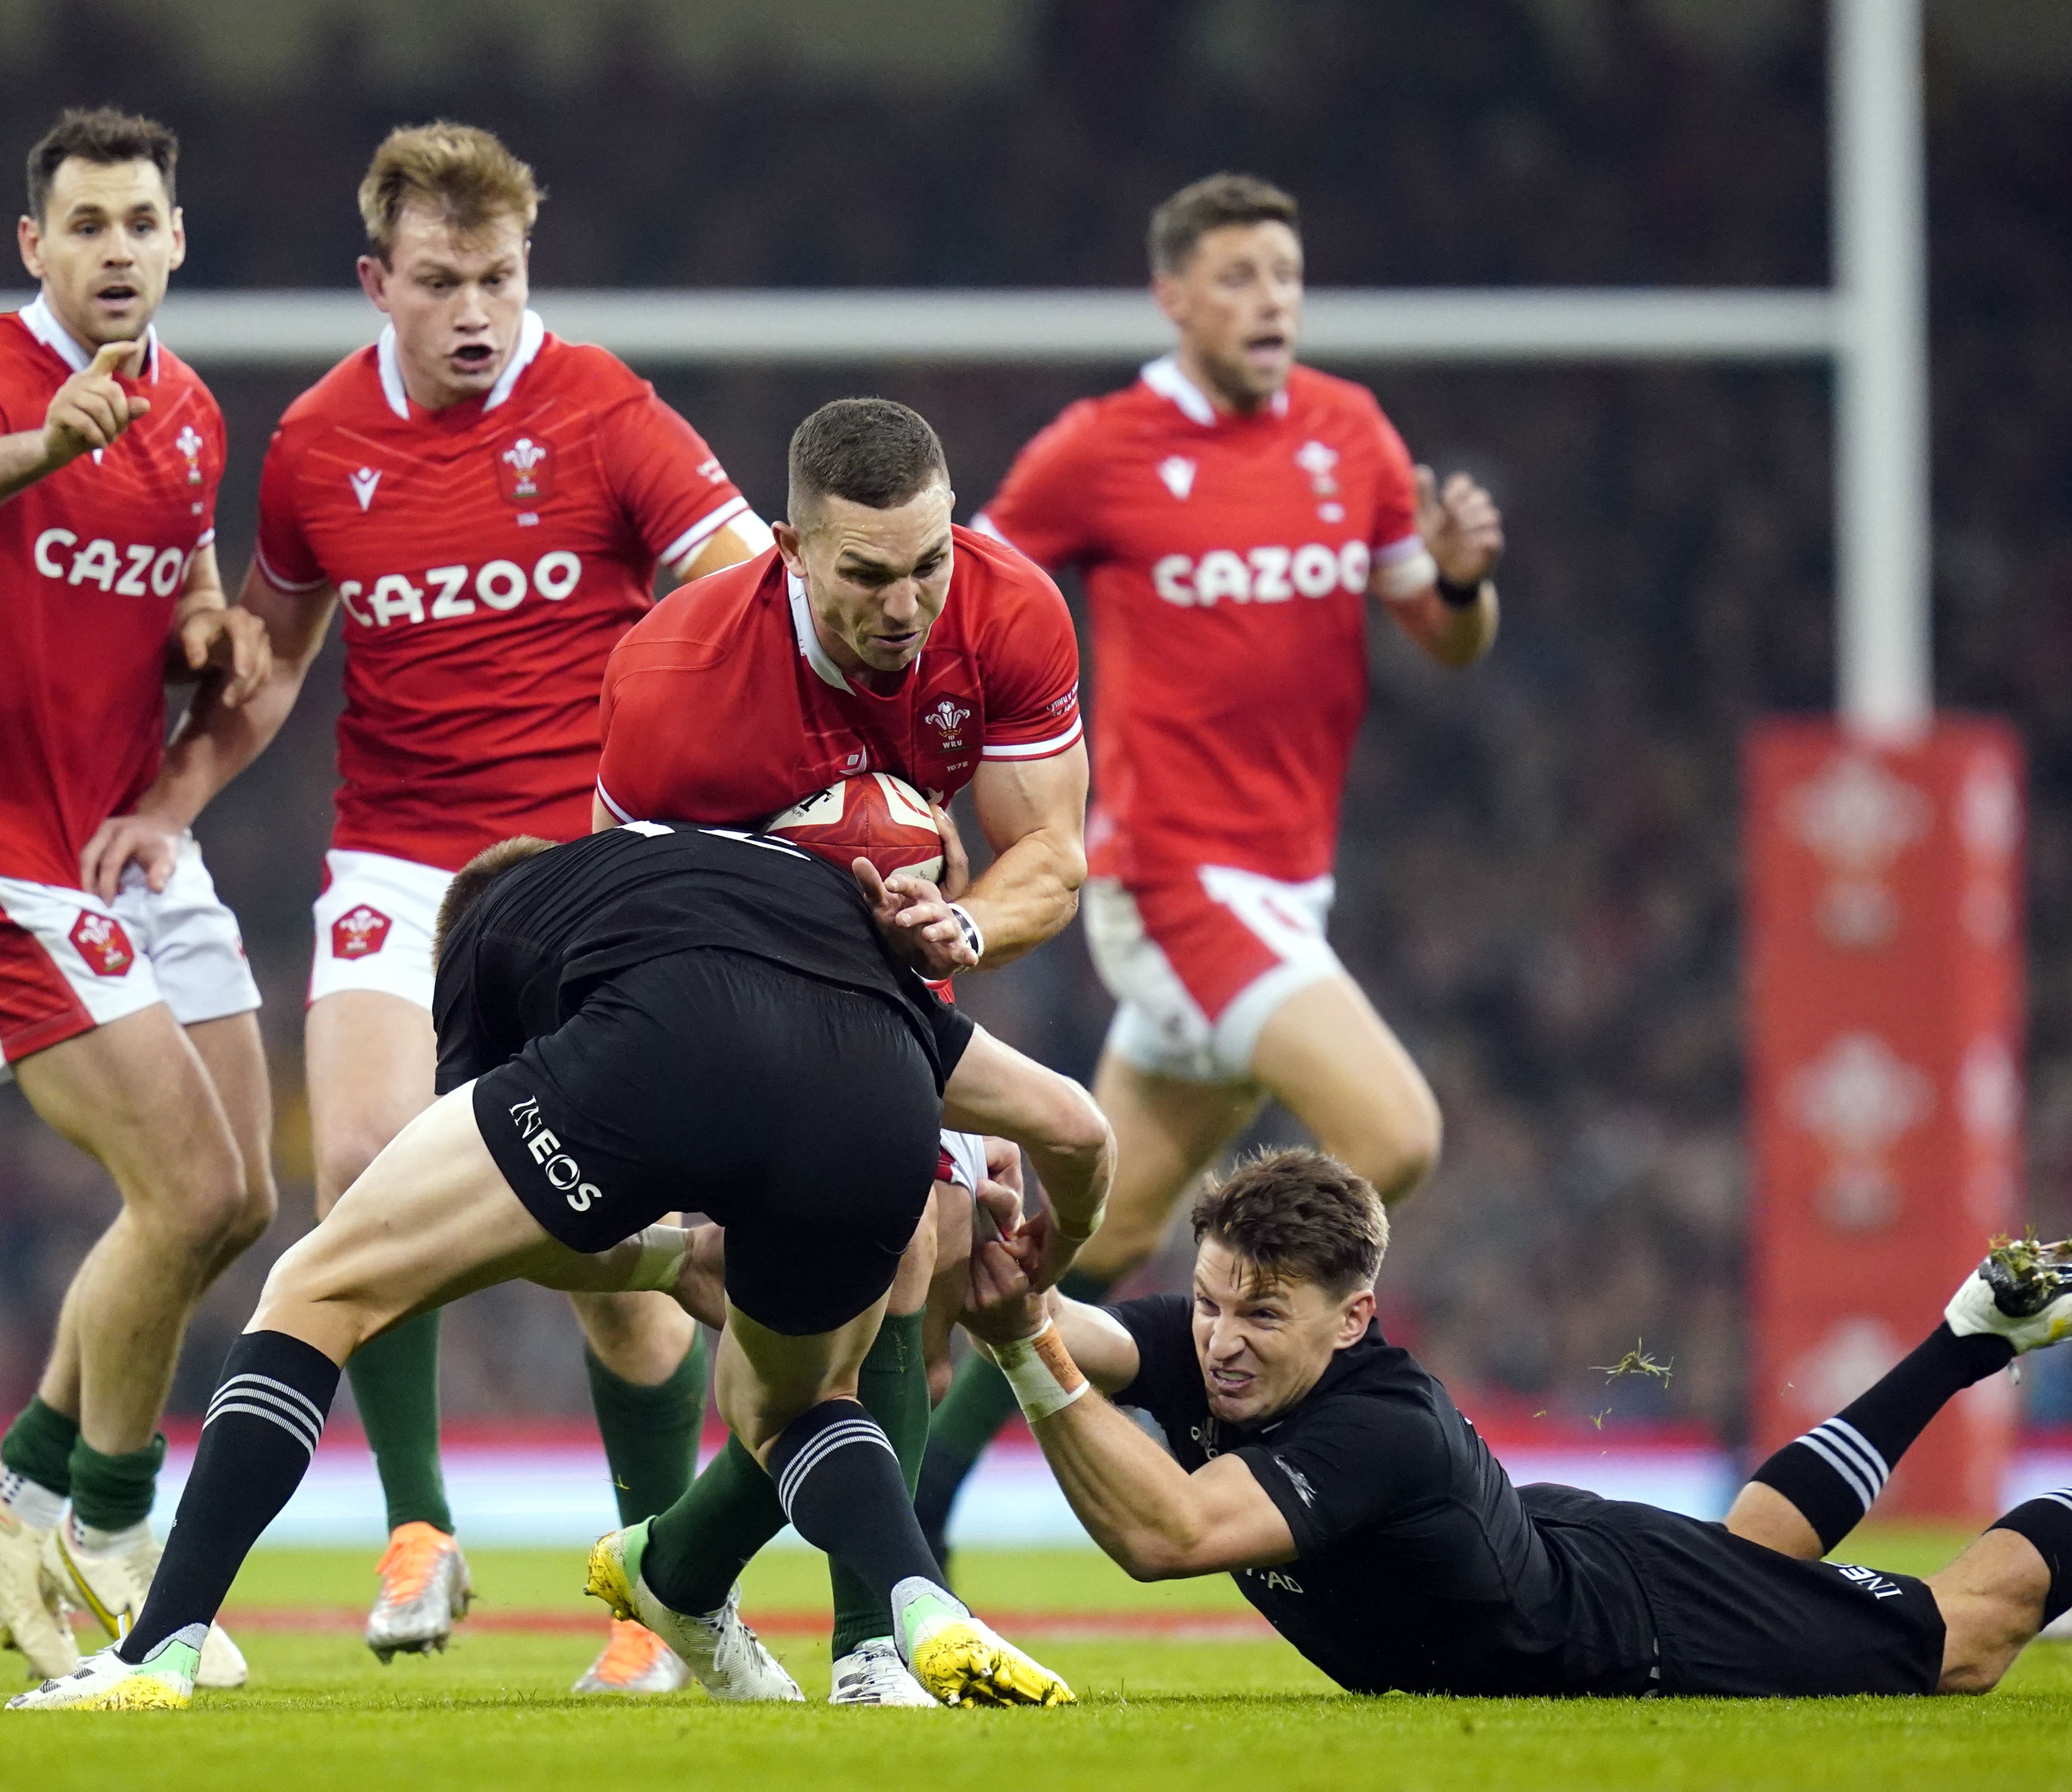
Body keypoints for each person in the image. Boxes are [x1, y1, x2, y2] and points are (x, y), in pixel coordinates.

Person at [6, 821, 1111, 1711]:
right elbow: (1076, 1129)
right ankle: (920, 1609)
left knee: (322, 1283)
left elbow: (513, 1223)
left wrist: (667, 1260)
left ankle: (155, 1657)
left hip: (661, 1046)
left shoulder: (495, 929)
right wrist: (1043, 1264)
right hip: (879, 1096)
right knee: (800, 1406)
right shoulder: (787, 884)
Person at [181, 120, 772, 1689]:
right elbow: (278, 655)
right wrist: (165, 801)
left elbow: (736, 576)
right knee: (369, 1172)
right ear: (377, 280)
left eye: (500, 276)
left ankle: (654, 1604)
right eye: (441, 278)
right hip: (400, 853)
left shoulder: (605, 409)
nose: (475, 309)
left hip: (585, 862)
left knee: (617, 1254)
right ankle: (420, 1527)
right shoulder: (313, 447)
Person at [919, 171, 1507, 1549]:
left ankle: (922, 1485)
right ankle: (1271, 1387)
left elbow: (1445, 632)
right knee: (1393, 1135)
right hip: (1171, 874)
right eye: (1239, 279)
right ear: (1174, 295)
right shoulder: (1103, 448)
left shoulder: (1349, 436)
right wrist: (963, 781)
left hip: (1287, 881)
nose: (1272, 304)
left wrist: (1466, 580)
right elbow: (972, 593)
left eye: (1287, 280)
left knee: (1096, 1241)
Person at [589, 396, 1089, 1702]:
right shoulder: (677, 678)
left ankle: (706, 1587)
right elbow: (618, 921)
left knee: (904, 1283)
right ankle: (858, 1633)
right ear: (787, 550)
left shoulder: (1013, 611)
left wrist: (963, 925)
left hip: (904, 1000)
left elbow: (1053, 856)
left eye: (929, 559)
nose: (909, 601)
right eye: (867, 572)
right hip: (721, 1000)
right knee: (877, 1274)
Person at [0, 109, 276, 1688]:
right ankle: (118, 1544)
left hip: (133, 845)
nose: (116, 248)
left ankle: (17, 1488)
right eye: (86, 224)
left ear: (179, 241)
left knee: (239, 1201)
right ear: (34, 248)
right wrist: (43, 443)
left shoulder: (191, 415)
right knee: (179, 1196)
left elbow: (178, 572)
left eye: (141, 222)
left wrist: (208, 637)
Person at [959, 1145, 2072, 1698]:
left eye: (1259, 1313)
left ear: (1352, 1319)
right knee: (1751, 1558)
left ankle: (1984, 1370)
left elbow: (1170, 1536)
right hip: (1567, 1551)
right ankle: (1969, 1338)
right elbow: (1078, 1332)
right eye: (1207, 1304)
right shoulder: (1218, 1342)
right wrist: (993, 1256)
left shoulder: (1378, 1424)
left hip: (1632, 1635)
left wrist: (1018, 1342)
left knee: (1964, 1643)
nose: (1220, 1340)